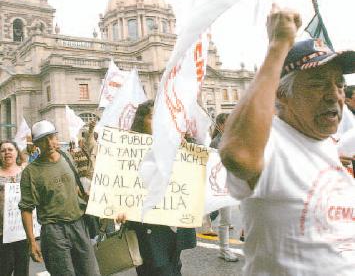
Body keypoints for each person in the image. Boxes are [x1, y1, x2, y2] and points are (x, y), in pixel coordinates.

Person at [220, 5, 355, 275]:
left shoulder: (328, 143)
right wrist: (278, 46)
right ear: (282, 94)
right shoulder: (270, 144)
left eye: (338, 84)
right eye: (317, 83)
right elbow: (238, 154)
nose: (334, 95)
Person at [118, 100, 196, 276]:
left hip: (170, 224)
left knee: (173, 267)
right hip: (146, 225)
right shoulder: (128, 150)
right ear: (141, 121)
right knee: (157, 269)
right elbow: (119, 185)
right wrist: (119, 207)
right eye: (153, 117)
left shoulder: (174, 145)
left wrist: (185, 152)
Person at [19, 120, 100, 276]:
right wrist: (32, 242)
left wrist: (86, 195)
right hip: (53, 231)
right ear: (36, 144)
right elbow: (26, 209)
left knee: (91, 272)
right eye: (43, 140)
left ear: (56, 137)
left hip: (78, 224)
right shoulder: (30, 172)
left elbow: (75, 186)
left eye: (51, 137)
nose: (49, 143)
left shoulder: (67, 157)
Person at [210, 113, 239, 262]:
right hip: (223, 184)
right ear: (221, 125)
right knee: (226, 219)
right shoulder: (216, 142)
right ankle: (224, 249)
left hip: (236, 182)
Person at [0, 140, 29, 276]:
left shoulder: (26, 172)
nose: (7, 153)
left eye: (10, 149)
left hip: (22, 229)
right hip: (1, 231)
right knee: (4, 267)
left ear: (17, 152)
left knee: (22, 268)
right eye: (3, 150)